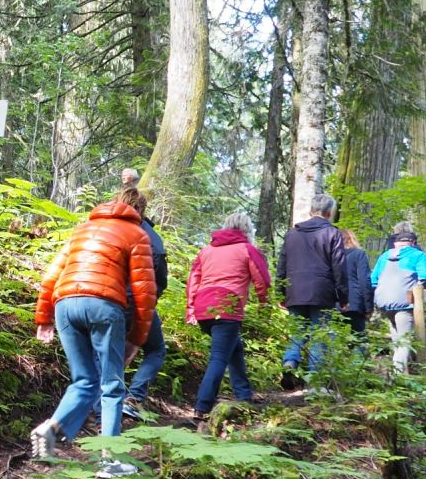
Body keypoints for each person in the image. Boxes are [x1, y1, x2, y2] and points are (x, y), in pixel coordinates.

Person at [29, 186, 157, 475]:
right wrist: (137, 338)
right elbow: (145, 292)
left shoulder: (84, 229)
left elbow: (52, 274)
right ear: (140, 213)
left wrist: (43, 316)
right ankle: (109, 461)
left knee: (84, 380)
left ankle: (50, 427)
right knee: (111, 386)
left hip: (65, 305)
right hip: (103, 305)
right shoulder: (138, 235)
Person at [184, 210, 270, 420]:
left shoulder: (206, 251)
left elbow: (193, 279)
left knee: (234, 348)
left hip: (204, 308)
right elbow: (262, 280)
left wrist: (191, 309)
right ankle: (202, 406)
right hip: (227, 308)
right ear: (247, 229)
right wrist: (264, 306)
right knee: (219, 357)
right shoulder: (247, 249)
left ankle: (244, 394)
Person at [275, 193, 348, 387]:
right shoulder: (333, 233)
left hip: (295, 291)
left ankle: (290, 362)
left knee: (297, 332)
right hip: (322, 293)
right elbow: (339, 267)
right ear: (329, 212)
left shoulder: (292, 234)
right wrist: (343, 296)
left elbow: (281, 265)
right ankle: (314, 381)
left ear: (311, 210)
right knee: (319, 335)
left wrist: (280, 292)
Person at [120, 168, 168, 422]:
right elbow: (159, 273)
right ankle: (132, 397)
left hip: (108, 299)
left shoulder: (107, 227)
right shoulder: (148, 235)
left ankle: (101, 404)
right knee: (156, 349)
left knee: (111, 354)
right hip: (138, 301)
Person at [372, 222, 426, 373]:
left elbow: (373, 279)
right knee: (404, 341)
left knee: (396, 339)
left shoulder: (384, 256)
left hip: (384, 303)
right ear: (412, 240)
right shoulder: (418, 255)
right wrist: (417, 292)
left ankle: (399, 371)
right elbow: (424, 278)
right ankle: (397, 375)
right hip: (405, 303)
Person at [338, 229, 374, 348]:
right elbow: (364, 281)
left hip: (334, 303)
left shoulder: (331, 257)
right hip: (354, 303)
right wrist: (368, 307)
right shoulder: (359, 254)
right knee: (359, 340)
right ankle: (357, 364)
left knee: (335, 340)